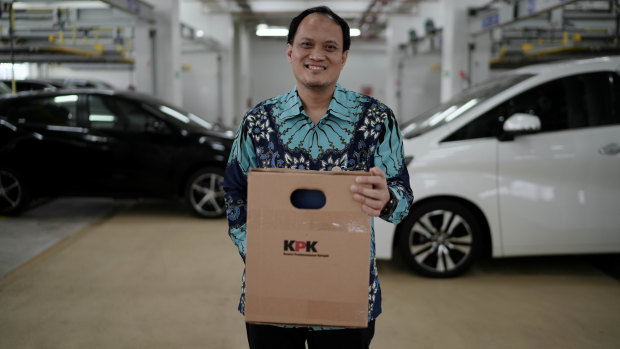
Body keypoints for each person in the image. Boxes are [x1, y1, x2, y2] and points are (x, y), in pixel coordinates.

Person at [223, 6, 413, 349]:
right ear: (290, 51)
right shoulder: (258, 122)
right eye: (307, 44)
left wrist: (387, 199)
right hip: (273, 293)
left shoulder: (376, 120)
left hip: (348, 292)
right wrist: (257, 252)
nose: (317, 55)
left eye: (329, 47)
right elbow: (235, 191)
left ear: (343, 56)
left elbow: (402, 198)